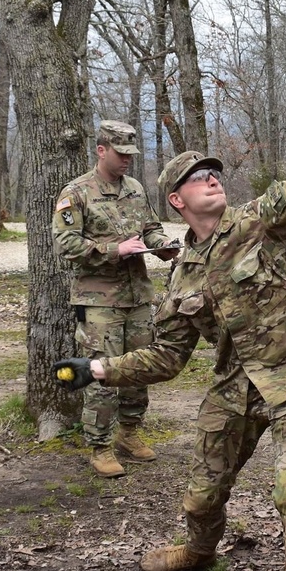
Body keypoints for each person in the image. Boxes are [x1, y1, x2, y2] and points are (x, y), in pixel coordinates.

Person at [53, 106, 286, 571]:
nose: (212, 178)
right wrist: (99, 369)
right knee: (199, 499)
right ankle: (198, 553)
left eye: (215, 172)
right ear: (177, 201)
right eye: (198, 177)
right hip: (234, 390)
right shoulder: (183, 276)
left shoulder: (262, 221)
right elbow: (168, 356)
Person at [52, 121, 179, 478]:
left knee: (140, 369)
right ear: (101, 150)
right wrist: (113, 249)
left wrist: (160, 245)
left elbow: (150, 226)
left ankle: (129, 432)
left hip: (137, 296)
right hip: (99, 301)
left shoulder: (136, 189)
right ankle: (100, 445)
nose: (126, 161)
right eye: (120, 154)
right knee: (101, 372)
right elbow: (66, 244)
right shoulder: (76, 193)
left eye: (131, 155)